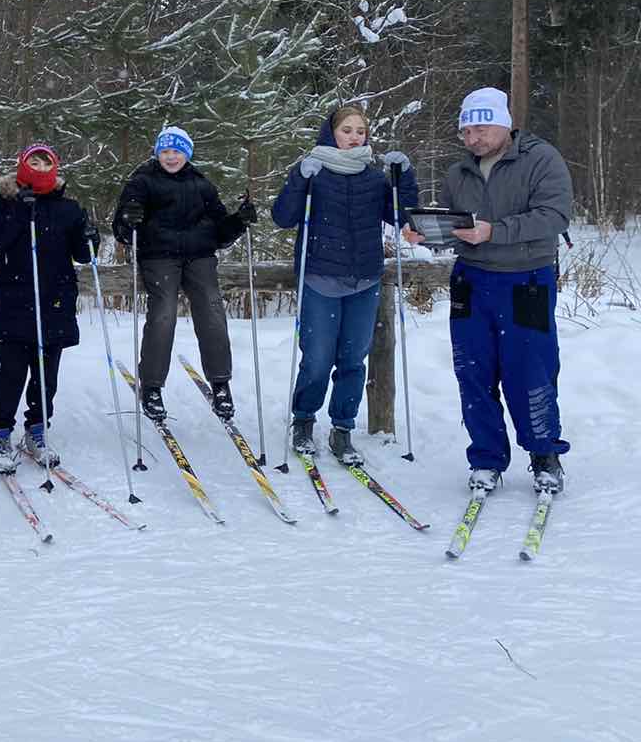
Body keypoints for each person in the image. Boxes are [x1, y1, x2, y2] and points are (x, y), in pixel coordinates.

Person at [424, 86, 572, 495]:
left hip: (526, 280)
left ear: (504, 125)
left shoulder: (541, 159)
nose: (474, 139)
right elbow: (459, 231)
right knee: (473, 372)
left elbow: (555, 216)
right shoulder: (459, 173)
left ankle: (545, 454)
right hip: (470, 283)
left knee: (530, 369)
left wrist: (496, 231)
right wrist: (429, 235)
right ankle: (487, 458)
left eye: (482, 129)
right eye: (466, 132)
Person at [271, 103, 417, 466]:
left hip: (363, 281)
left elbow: (401, 215)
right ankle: (303, 421)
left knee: (353, 360)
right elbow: (283, 217)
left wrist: (404, 177)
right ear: (331, 133)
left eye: (360, 131)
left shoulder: (372, 177)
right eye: (347, 130)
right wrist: (299, 180)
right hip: (320, 279)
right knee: (318, 360)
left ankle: (342, 428)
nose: (354, 138)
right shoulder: (313, 170)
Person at [112, 126, 255, 424]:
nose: (171, 157)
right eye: (165, 151)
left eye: (177, 151)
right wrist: (130, 219)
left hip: (199, 255)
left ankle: (220, 382)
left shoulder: (201, 184)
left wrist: (239, 221)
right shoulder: (142, 181)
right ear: (157, 154)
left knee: (212, 309)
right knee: (163, 313)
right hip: (159, 256)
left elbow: (220, 232)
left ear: (187, 154)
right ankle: (152, 386)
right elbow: (122, 229)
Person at [0, 145, 96, 473]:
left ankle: (37, 430)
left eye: (46, 162)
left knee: (47, 375)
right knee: (11, 373)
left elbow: (84, 254)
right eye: (34, 160)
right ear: (23, 165)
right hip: (15, 300)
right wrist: (20, 211)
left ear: (54, 168)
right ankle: (1, 431)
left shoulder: (69, 208)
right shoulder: (6, 202)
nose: (39, 166)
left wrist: (90, 237)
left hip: (54, 301)